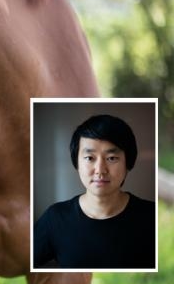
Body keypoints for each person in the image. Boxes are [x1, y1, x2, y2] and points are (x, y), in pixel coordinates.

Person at [33, 114, 155, 269]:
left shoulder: (152, 217)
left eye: (111, 158)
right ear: (76, 162)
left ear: (128, 163)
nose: (100, 170)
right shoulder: (55, 218)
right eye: (90, 158)